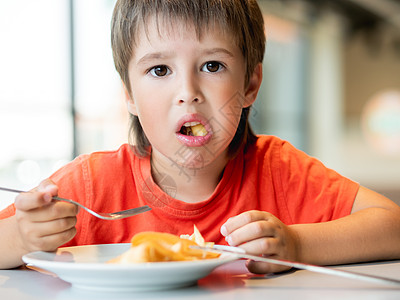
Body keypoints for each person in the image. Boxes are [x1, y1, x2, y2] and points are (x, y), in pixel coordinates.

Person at [1, 0, 400, 272]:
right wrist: (21, 236)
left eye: (212, 65)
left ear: (250, 83)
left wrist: (296, 245)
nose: (187, 91)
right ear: (129, 95)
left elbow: (392, 225)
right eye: (159, 70)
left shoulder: (279, 172)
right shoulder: (89, 189)